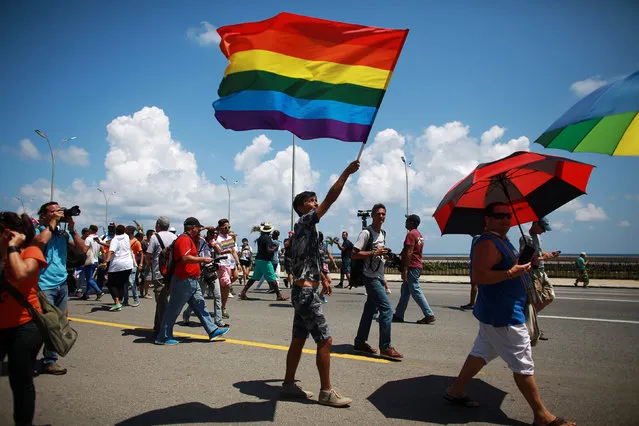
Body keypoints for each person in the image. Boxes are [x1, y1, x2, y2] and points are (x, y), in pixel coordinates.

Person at [446, 202, 575, 426]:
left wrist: (522, 263)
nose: (506, 220)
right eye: (499, 216)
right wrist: (510, 272)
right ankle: (542, 415)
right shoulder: (486, 242)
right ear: (486, 219)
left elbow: (505, 267)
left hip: (497, 312)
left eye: (507, 216)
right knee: (522, 363)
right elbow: (480, 276)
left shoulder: (501, 239)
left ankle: (455, 389)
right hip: (504, 314)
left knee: (480, 352)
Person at [281, 160, 359, 407]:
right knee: (325, 339)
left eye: (315, 200)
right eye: (311, 200)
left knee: (298, 338)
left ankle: (288, 383)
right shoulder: (304, 222)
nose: (316, 203)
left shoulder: (309, 231)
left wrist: (324, 278)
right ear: (301, 207)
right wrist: (345, 173)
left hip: (304, 289)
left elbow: (311, 257)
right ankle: (326, 392)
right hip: (305, 293)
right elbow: (331, 200)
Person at [0, 212, 48, 426]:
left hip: (25, 326)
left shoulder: (31, 252)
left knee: (20, 382)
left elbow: (20, 275)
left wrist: (12, 247)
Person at [32, 201, 88, 375]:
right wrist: (52, 223)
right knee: (43, 325)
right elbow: (40, 242)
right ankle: (26, 356)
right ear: (43, 215)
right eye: (53, 211)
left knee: (56, 325)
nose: (58, 213)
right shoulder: (37, 231)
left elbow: (82, 250)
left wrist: (72, 229)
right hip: (41, 285)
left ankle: (50, 360)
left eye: (59, 211)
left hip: (61, 283)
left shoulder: (63, 234)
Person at [155, 217, 229, 345]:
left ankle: (212, 330)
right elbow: (185, 258)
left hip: (191, 280)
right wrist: (203, 259)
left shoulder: (189, 239)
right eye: (198, 228)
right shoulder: (184, 239)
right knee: (173, 309)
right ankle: (163, 337)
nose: (200, 230)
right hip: (183, 280)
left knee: (201, 306)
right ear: (192, 228)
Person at [351, 203, 403, 361]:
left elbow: (378, 253)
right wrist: (374, 252)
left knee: (369, 311)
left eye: (384, 214)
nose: (381, 217)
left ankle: (360, 342)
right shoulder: (366, 233)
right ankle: (385, 347)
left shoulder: (383, 233)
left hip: (379, 276)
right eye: (379, 214)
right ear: (372, 215)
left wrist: (385, 255)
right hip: (370, 276)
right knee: (386, 310)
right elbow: (354, 254)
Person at [520, 218, 560, 341]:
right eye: (542, 228)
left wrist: (549, 254)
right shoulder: (526, 238)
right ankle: (531, 328)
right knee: (534, 301)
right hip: (533, 272)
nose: (544, 231)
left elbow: (539, 252)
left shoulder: (537, 237)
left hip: (541, 271)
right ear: (535, 224)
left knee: (549, 295)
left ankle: (530, 322)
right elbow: (525, 258)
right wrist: (542, 258)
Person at [392, 214, 435, 324]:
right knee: (405, 291)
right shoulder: (418, 234)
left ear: (412, 222)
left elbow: (409, 252)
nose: (405, 222)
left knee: (415, 290)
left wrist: (404, 269)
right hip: (417, 265)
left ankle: (429, 314)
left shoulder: (411, 234)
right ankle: (398, 315)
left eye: (407, 220)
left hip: (412, 266)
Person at [238, 223, 288, 301]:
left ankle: (243, 292)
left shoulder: (261, 238)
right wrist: (274, 249)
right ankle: (279, 295)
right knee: (273, 278)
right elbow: (268, 250)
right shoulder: (267, 238)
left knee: (254, 277)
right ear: (270, 231)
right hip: (265, 260)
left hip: (258, 259)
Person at [146, 216, 177, 337]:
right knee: (162, 300)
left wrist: (149, 265)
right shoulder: (174, 237)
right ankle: (157, 326)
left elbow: (148, 255)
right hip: (171, 273)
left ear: (158, 225)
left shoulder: (154, 237)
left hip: (159, 272)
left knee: (161, 301)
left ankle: (163, 330)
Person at [213, 219, 241, 318]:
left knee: (223, 287)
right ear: (220, 227)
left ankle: (222, 307)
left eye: (229, 227)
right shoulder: (217, 238)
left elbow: (233, 251)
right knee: (226, 285)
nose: (228, 229)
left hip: (228, 264)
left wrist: (238, 263)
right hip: (220, 264)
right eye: (226, 227)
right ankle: (221, 308)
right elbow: (219, 251)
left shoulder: (228, 238)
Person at [102, 225, 133, 312]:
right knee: (121, 284)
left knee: (111, 283)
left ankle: (116, 302)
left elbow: (111, 251)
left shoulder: (115, 240)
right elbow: (123, 230)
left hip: (117, 264)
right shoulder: (126, 237)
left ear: (115, 231)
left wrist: (106, 261)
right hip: (128, 264)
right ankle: (119, 302)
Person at [81, 224, 105, 301]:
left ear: (90, 230)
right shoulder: (98, 239)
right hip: (96, 260)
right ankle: (87, 294)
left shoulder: (88, 239)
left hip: (89, 260)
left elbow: (85, 249)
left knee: (89, 279)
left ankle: (99, 291)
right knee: (90, 277)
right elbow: (102, 250)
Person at [123, 225, 142, 307]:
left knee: (132, 282)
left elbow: (141, 254)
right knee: (125, 283)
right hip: (124, 264)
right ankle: (125, 300)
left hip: (132, 265)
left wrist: (140, 264)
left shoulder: (136, 242)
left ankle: (136, 299)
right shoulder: (124, 240)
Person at [461, 235, 481, 310]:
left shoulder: (476, 238)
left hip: (476, 264)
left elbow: (474, 252)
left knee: (474, 284)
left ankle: (472, 303)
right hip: (482, 263)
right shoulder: (486, 237)